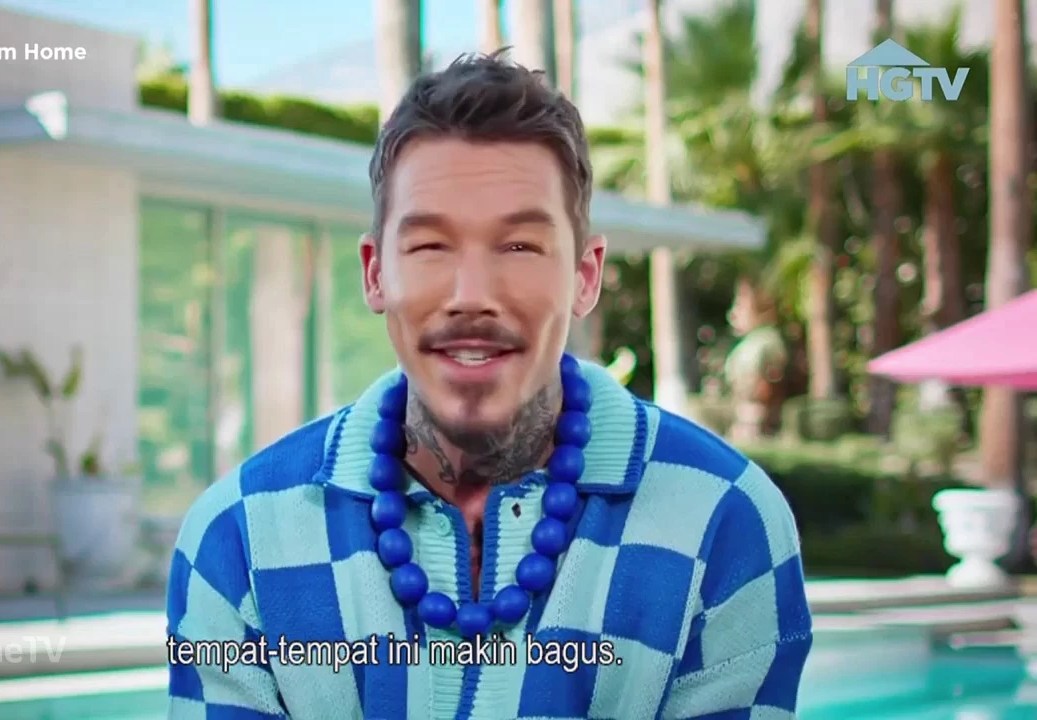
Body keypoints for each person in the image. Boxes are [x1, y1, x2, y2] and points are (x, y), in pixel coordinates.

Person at [166, 51, 813, 719]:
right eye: (430, 246)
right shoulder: (241, 537)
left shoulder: (721, 519)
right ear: (375, 274)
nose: (471, 295)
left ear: (585, 276)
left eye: (519, 246)